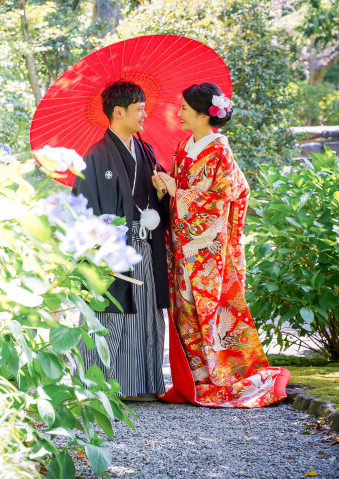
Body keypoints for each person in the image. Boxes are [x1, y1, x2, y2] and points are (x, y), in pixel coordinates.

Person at [153, 82, 289, 407]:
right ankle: (196, 381)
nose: (179, 113)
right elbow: (176, 193)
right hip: (183, 245)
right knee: (186, 312)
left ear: (202, 115)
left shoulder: (219, 151)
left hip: (209, 251)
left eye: (184, 108)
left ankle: (223, 379)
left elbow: (221, 200)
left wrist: (178, 191)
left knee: (212, 314)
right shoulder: (184, 145)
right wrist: (164, 187)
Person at [72, 81, 170, 399]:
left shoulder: (145, 150)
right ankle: (98, 387)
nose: (144, 114)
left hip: (144, 247)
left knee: (144, 318)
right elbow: (84, 209)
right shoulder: (97, 156)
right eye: (139, 108)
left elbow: (155, 201)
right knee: (111, 315)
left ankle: (141, 385)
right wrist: (98, 252)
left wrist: (159, 192)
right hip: (112, 253)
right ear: (119, 112)